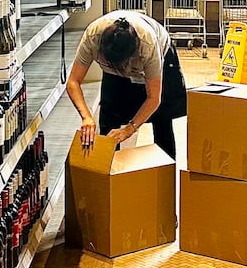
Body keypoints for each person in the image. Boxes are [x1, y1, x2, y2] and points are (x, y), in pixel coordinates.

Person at [65, 9, 188, 159]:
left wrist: (130, 129)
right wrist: (86, 117)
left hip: (161, 54)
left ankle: (165, 176)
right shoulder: (93, 37)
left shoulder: (147, 46)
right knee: (109, 118)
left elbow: (154, 98)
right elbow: (73, 82)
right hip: (113, 70)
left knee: (161, 119)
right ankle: (108, 175)